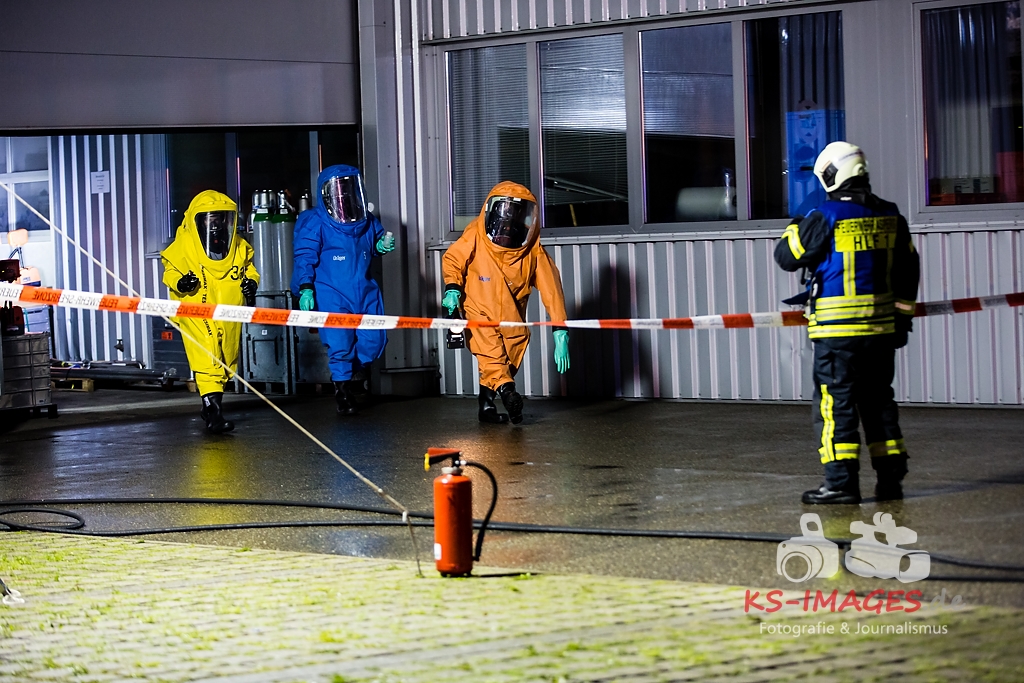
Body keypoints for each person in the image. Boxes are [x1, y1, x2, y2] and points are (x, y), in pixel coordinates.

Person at [774, 142, 920, 504]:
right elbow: (909, 271)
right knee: (879, 404)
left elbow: (787, 256)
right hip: (881, 333)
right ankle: (890, 481)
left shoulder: (825, 215)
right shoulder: (892, 215)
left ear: (830, 175)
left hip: (837, 335)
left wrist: (796, 224)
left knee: (835, 408)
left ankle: (841, 484)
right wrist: (902, 320)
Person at [442, 181, 570, 424]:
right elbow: (454, 259)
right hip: (478, 308)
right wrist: (452, 288)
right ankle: (508, 392)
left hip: (513, 318)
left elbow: (552, 290)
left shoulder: (532, 251)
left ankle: (487, 405)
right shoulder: (476, 234)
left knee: (506, 359)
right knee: (490, 355)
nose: (507, 223)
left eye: (515, 213)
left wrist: (560, 329)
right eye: (504, 211)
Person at [291, 164, 395, 415]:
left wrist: (381, 246)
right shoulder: (316, 223)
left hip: (365, 290)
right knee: (340, 342)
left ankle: (345, 372)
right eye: (338, 189)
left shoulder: (366, 221)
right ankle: (343, 391)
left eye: (348, 187)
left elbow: (373, 243)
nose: (344, 194)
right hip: (331, 292)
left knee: (375, 340)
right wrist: (306, 287)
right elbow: (304, 256)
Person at [162, 190, 258, 434]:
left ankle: (210, 405)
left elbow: (249, 269)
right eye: (209, 219)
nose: (214, 225)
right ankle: (214, 412)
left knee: (226, 357)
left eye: (219, 218)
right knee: (208, 354)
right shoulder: (184, 245)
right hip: (197, 308)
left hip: (229, 311)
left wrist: (251, 283)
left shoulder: (237, 246)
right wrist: (181, 283)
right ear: (198, 220)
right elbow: (170, 271)